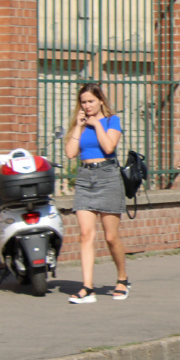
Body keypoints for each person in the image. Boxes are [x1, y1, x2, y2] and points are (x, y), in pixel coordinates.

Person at [63, 83, 129, 304]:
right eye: (83, 102)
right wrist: (79, 127)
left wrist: (96, 124)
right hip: (84, 179)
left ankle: (122, 279)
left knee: (111, 237)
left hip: (107, 177)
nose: (87, 105)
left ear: (101, 100)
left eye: (91, 101)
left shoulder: (112, 121)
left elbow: (109, 147)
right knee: (85, 235)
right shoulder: (80, 124)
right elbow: (71, 153)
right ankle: (87, 287)